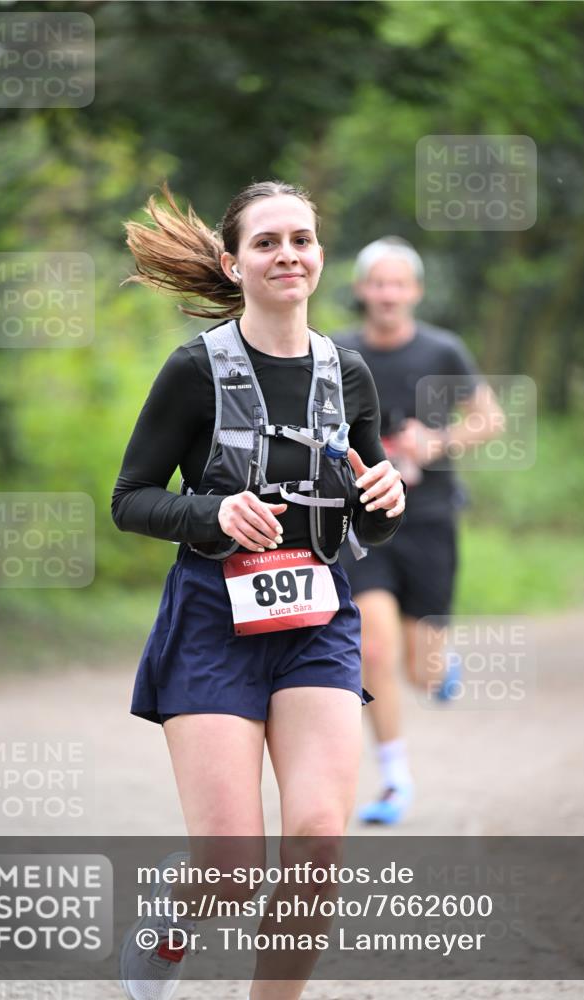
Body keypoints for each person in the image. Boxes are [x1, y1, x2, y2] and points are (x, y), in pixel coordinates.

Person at [111, 182, 406, 1000]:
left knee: (317, 846)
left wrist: (385, 502)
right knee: (233, 871)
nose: (287, 255)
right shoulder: (194, 370)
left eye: (300, 240)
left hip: (316, 619)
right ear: (233, 263)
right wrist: (210, 512)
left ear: (319, 256)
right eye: (267, 242)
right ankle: (174, 911)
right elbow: (130, 498)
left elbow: (367, 517)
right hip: (213, 619)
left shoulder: (346, 373)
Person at [336, 237, 505, 826]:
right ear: (362, 289)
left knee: (421, 671)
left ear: (416, 291)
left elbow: (490, 419)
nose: (387, 294)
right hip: (363, 522)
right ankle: (394, 780)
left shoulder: (443, 349)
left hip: (429, 520)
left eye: (398, 284)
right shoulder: (337, 353)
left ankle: (440, 664)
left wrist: (437, 443)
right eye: (377, 283)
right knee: (371, 647)